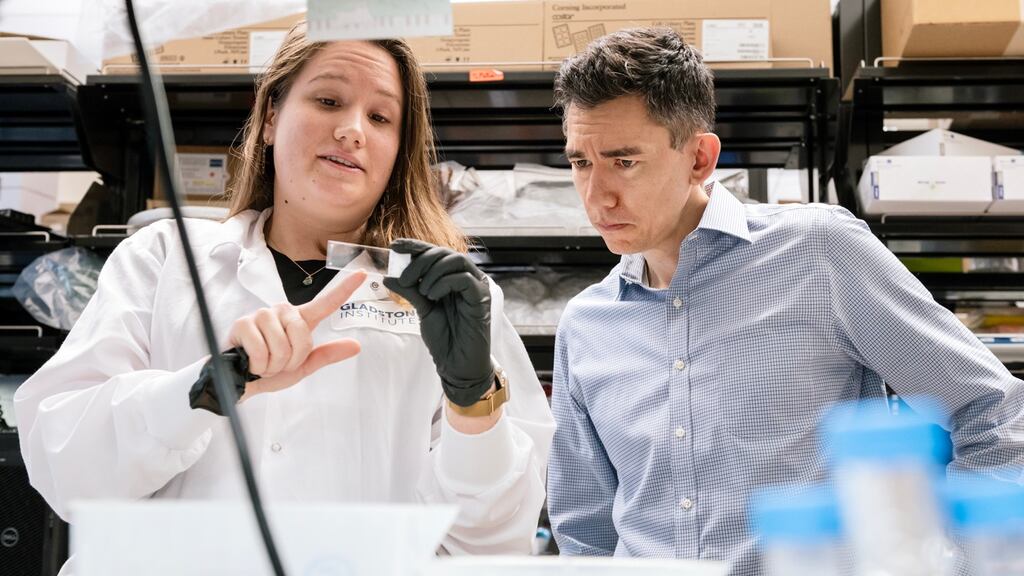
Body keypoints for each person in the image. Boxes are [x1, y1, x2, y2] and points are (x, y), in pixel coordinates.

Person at [14, 22, 554, 573]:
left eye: (380, 117)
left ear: (398, 150)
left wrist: (473, 402)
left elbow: (494, 545)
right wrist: (201, 390)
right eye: (328, 100)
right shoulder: (164, 259)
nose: (352, 130)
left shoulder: (447, 298)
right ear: (270, 117)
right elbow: (66, 474)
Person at [546, 27, 1024, 575]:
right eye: (581, 162)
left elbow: (993, 412)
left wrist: (962, 562)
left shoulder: (819, 254)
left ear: (699, 158)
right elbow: (585, 531)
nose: (597, 195)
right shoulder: (587, 324)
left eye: (623, 161)